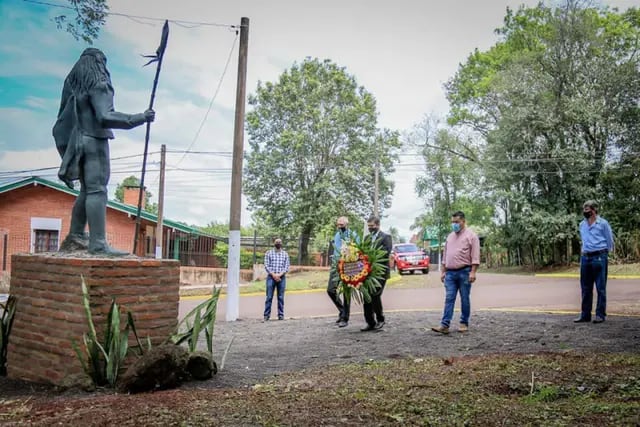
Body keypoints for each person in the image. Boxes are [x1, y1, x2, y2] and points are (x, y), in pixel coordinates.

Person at [53, 48, 155, 255]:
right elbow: (105, 116)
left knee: (86, 190)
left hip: (77, 142)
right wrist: (140, 117)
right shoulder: (98, 84)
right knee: (97, 190)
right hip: (94, 140)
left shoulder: (73, 86)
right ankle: (98, 243)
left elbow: (62, 120)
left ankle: (76, 235)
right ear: (100, 63)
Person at [432, 211, 480, 334]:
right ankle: (445, 325)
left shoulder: (472, 236)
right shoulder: (450, 237)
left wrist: (473, 272)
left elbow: (475, 256)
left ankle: (464, 322)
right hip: (450, 273)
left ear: (463, 221)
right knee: (449, 298)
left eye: (457, 222)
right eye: (453, 222)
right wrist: (443, 271)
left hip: (465, 271)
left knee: (464, 298)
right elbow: (445, 255)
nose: (454, 224)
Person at [575, 200, 614, 324]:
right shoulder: (582, 225)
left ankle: (600, 314)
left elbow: (609, 241)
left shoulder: (603, 224)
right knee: (585, 288)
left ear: (594, 210)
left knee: (600, 287)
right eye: (584, 209)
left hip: (599, 257)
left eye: (587, 209)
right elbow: (583, 240)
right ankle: (585, 315)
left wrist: (605, 254)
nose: (585, 212)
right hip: (585, 257)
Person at [360, 215, 393, 332]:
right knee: (367, 296)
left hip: (381, 272)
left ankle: (380, 319)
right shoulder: (367, 238)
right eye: (369, 226)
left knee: (375, 295)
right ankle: (370, 322)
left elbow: (386, 253)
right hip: (368, 273)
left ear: (378, 225)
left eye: (372, 226)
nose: (370, 228)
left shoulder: (386, 237)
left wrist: (372, 258)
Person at [327, 216, 358, 327]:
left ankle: (345, 318)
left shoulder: (353, 235)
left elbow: (358, 250)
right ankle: (342, 310)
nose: (339, 226)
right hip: (336, 265)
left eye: (341, 225)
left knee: (346, 293)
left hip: (348, 266)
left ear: (346, 224)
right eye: (338, 224)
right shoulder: (337, 235)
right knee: (330, 290)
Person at [263, 238, 290, 321]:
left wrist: (279, 275)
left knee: (281, 297)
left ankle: (281, 315)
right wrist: (274, 275)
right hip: (271, 277)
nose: (278, 243)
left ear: (281, 244)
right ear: (274, 243)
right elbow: (266, 265)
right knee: (269, 297)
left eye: (279, 242)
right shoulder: (269, 253)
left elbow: (287, 266)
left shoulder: (285, 254)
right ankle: (266, 315)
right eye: (277, 242)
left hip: (281, 278)